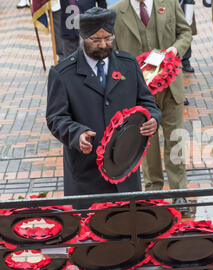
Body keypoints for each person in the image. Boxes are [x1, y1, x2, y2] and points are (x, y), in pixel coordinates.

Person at [46, 7, 161, 200]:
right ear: (83, 38)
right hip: (86, 175)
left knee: (127, 226)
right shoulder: (63, 73)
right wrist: (77, 133)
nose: (103, 45)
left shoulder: (129, 65)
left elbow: (147, 102)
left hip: (125, 170)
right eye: (96, 40)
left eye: (108, 38)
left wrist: (154, 119)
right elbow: (56, 118)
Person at [111, 0, 192, 205]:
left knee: (175, 139)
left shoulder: (170, 3)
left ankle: (179, 192)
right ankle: (153, 192)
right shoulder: (115, 12)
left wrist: (175, 49)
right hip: (138, 92)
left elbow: (185, 33)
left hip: (170, 86)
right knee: (147, 142)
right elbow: (113, 54)